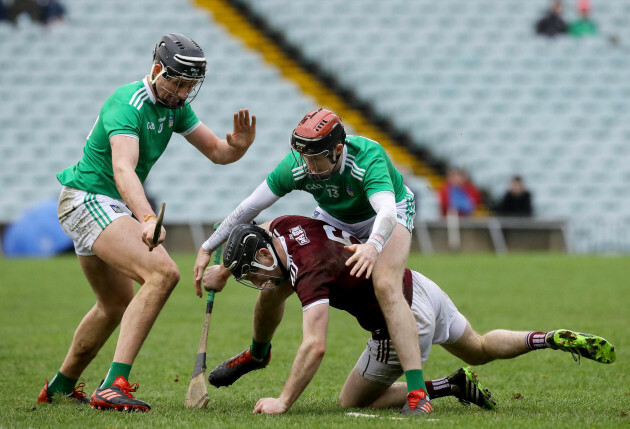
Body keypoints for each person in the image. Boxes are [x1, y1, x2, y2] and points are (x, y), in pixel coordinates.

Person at [37, 33, 257, 412]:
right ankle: (113, 385)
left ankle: (60, 386)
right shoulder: (127, 103)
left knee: (114, 304)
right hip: (88, 199)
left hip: (105, 204)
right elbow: (123, 168)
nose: (184, 92)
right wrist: (148, 217)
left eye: (191, 85)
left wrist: (238, 147)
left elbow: (217, 152)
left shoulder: (176, 107)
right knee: (163, 273)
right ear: (157, 70)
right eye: (178, 82)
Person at [202, 216, 616, 415]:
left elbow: (315, 345)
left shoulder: (308, 272)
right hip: (418, 285)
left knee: (351, 401)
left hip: (398, 321)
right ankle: (548, 338)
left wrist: (283, 400)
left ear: (262, 252)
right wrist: (223, 269)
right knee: (480, 348)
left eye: (250, 271)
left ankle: (444, 386)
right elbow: (266, 258)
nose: (255, 280)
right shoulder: (284, 225)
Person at [193, 108, 428, 413]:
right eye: (304, 158)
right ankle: (257, 354)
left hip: (385, 213)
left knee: (386, 285)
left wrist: (373, 246)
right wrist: (209, 248)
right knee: (277, 283)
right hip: (337, 217)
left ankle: (417, 393)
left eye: (315, 159)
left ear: (338, 150)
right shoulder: (299, 164)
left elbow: (386, 212)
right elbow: (248, 209)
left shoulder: (368, 157)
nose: (308, 167)